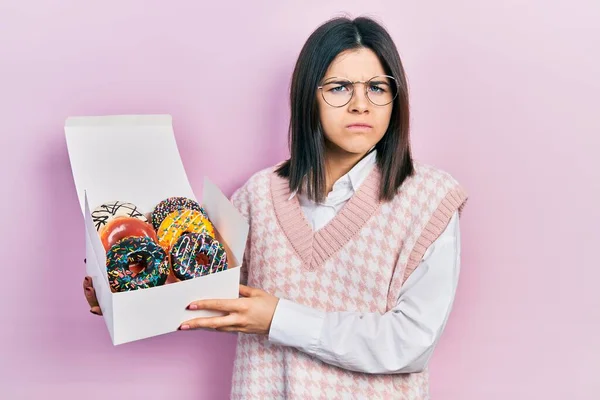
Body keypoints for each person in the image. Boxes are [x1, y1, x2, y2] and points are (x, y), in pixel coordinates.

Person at [83, 16, 468, 399]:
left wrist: (280, 319)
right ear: (307, 96)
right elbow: (213, 296)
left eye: (377, 88)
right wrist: (126, 295)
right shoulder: (257, 196)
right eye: (339, 88)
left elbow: (410, 343)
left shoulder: (429, 201)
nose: (360, 105)